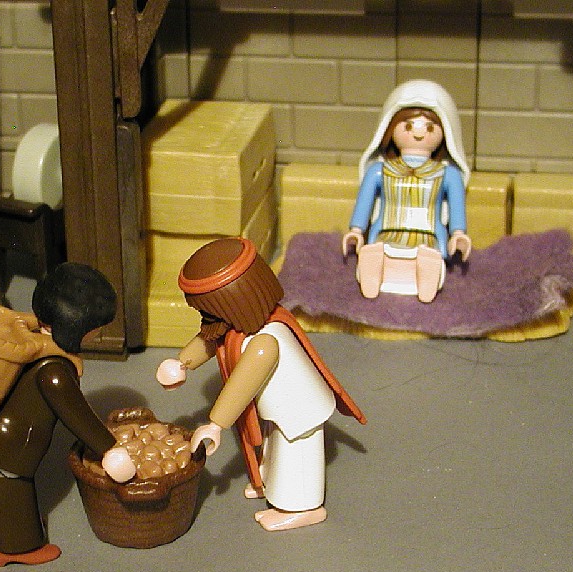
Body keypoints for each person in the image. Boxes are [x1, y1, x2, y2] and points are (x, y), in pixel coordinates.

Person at [156, 237, 364, 531]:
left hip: (298, 411)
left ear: (233, 301)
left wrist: (216, 424)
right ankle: (271, 484)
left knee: (295, 456)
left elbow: (242, 384)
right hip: (278, 408)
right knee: (275, 449)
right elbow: (211, 338)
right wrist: (182, 363)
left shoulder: (264, 343)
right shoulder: (238, 326)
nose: (206, 319)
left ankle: (304, 507)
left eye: (208, 311)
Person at [0, 263, 135, 566]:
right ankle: (14, 546)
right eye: (95, 328)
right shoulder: (55, 371)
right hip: (15, 441)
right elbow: (77, 416)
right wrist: (109, 449)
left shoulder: (32, 340)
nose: (98, 333)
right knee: (13, 486)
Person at [342, 79, 471, 303]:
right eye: (408, 126)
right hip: (385, 231)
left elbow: (456, 208)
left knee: (428, 253)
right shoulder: (379, 170)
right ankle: (373, 268)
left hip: (429, 234)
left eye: (429, 127)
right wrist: (356, 230)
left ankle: (427, 273)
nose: (419, 134)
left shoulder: (447, 175)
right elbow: (365, 201)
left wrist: (458, 234)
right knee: (379, 249)